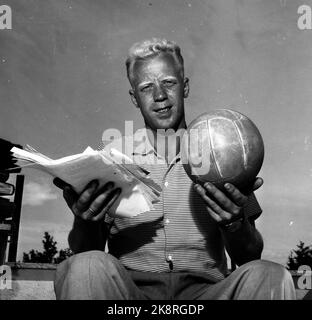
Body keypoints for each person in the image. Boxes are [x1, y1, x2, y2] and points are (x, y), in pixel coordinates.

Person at [53, 38, 296, 300]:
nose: (159, 96)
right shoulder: (113, 159)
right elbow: (87, 251)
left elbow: (249, 255)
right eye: (147, 87)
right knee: (83, 266)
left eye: (168, 82)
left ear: (185, 87)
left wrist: (234, 223)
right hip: (130, 296)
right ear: (134, 98)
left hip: (207, 294)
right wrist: (84, 220)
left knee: (270, 275)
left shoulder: (224, 152)